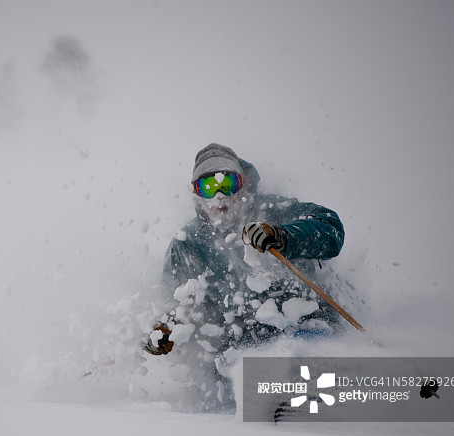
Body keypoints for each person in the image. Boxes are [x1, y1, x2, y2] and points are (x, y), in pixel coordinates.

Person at [143, 143, 346, 411]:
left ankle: (306, 403)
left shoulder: (277, 211)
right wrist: (166, 328)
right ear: (196, 194)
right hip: (242, 345)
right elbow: (178, 302)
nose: (219, 197)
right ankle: (271, 411)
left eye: (227, 183)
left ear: (244, 183)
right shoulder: (187, 244)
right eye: (207, 187)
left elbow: (331, 230)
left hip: (308, 325)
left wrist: (284, 236)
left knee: (301, 359)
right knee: (238, 370)